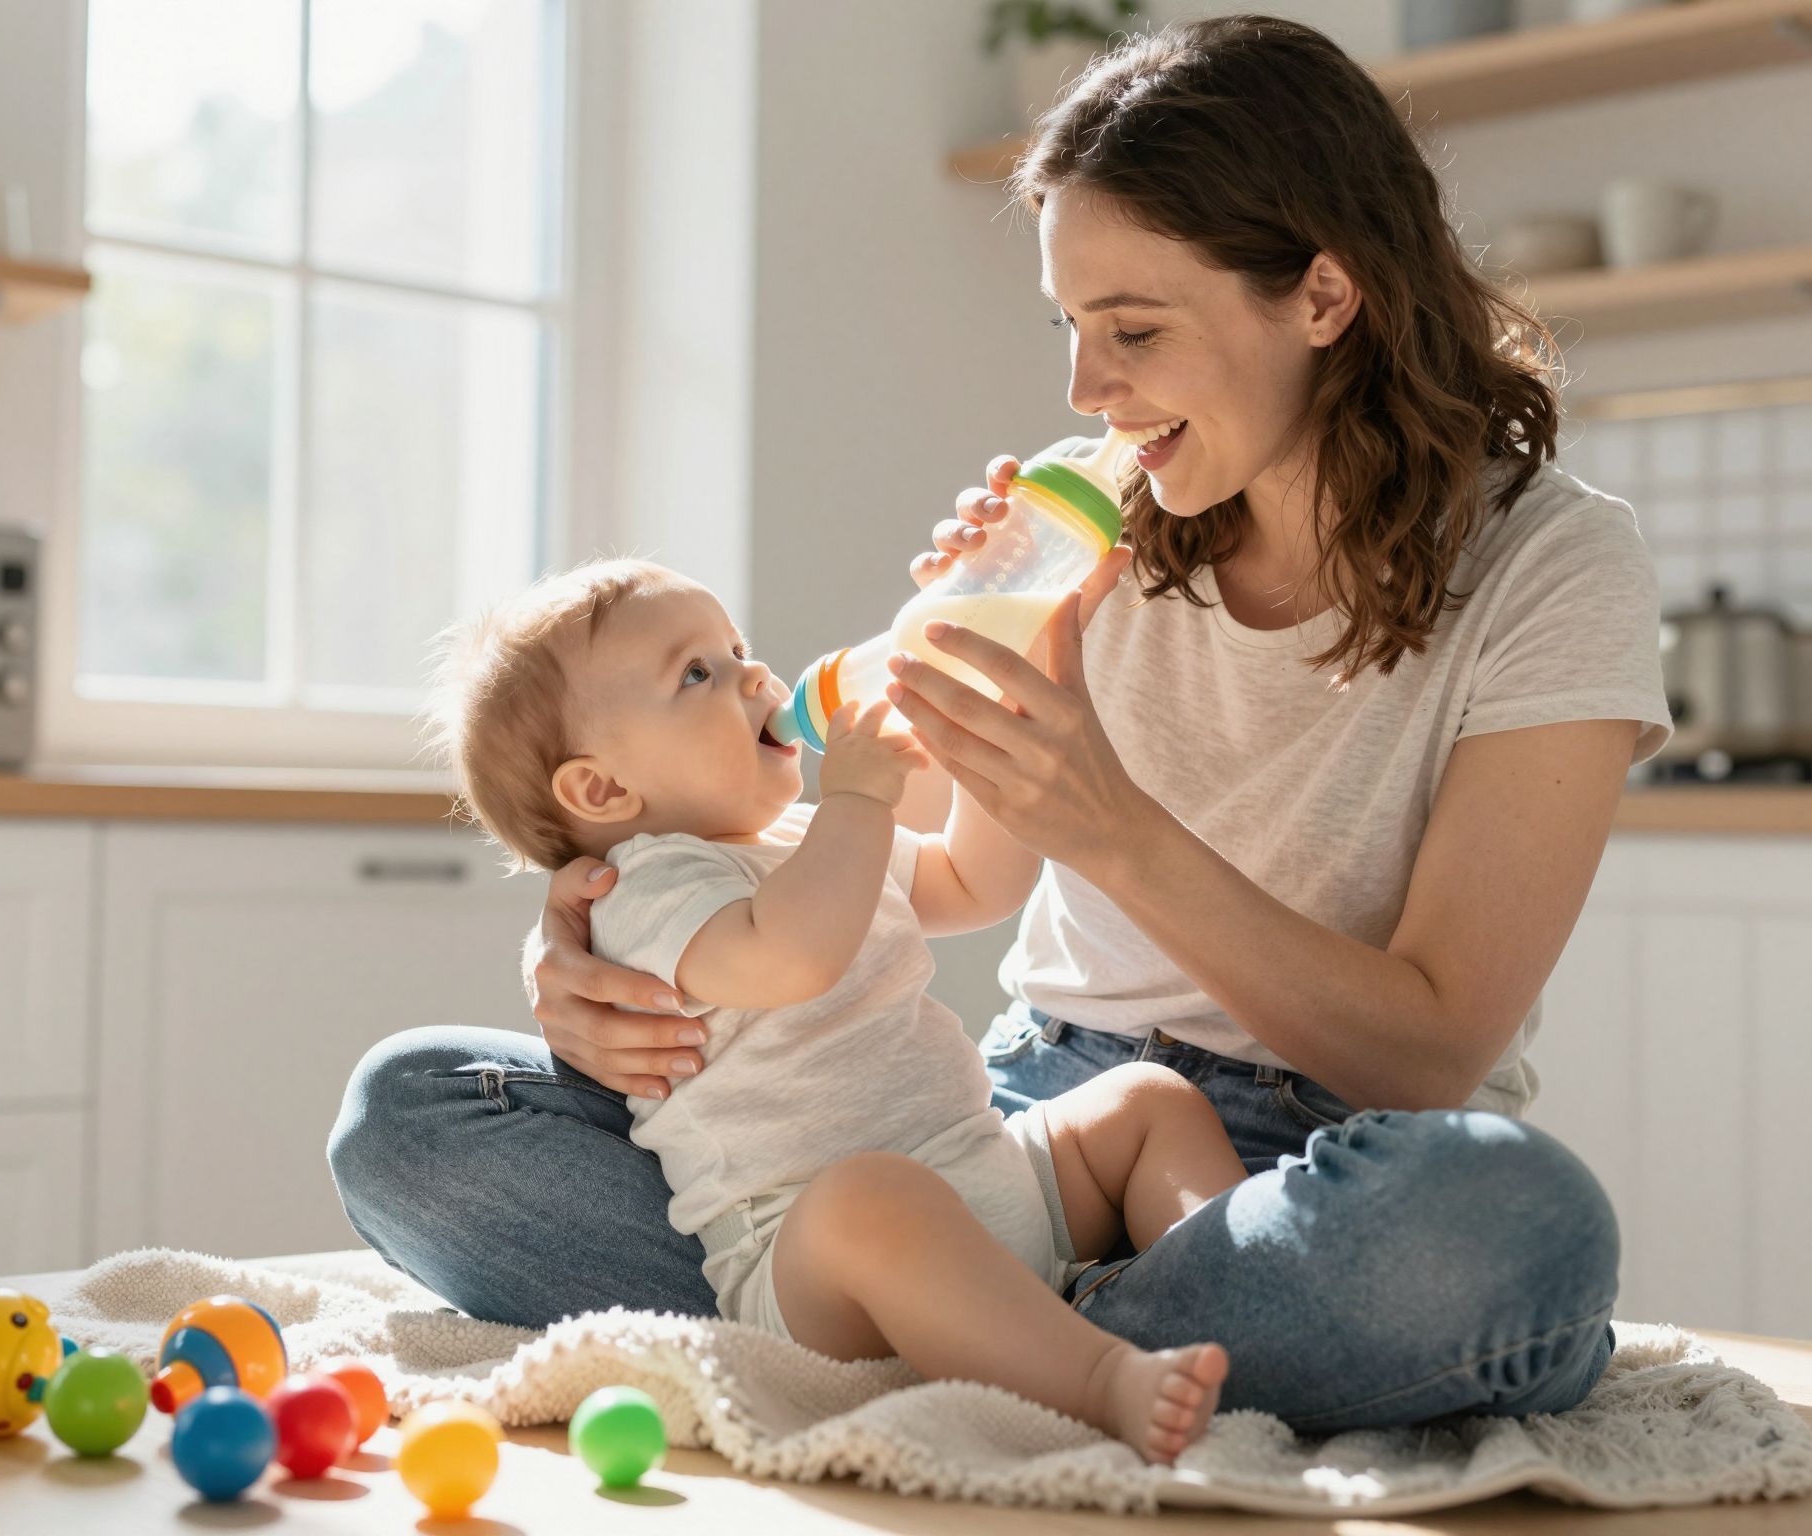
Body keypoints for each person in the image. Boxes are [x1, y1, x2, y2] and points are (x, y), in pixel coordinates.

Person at [329, 16, 1671, 1433]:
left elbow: (1429, 1049)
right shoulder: (1080, 523)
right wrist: (596, 928)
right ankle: (1076, 1341)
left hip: (1306, 1155)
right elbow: (801, 812)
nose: (1087, 392)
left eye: (1135, 331)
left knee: (1514, 1228)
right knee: (415, 1113)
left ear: (1324, 295)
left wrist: (1115, 829)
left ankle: (968, 1336)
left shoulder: (1553, 564)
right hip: (1013, 1109)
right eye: (1074, 331)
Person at [423, 557, 1249, 1461]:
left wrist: (990, 737)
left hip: (988, 1170)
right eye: (697, 673)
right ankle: (1100, 1382)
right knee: (870, 1198)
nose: (758, 679)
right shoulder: (645, 889)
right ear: (603, 791)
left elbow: (977, 884)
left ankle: (1242, 1309)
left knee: (1145, 1102)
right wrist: (855, 798)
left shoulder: (800, 842)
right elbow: (792, 955)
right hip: (812, 1252)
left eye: (738, 649)